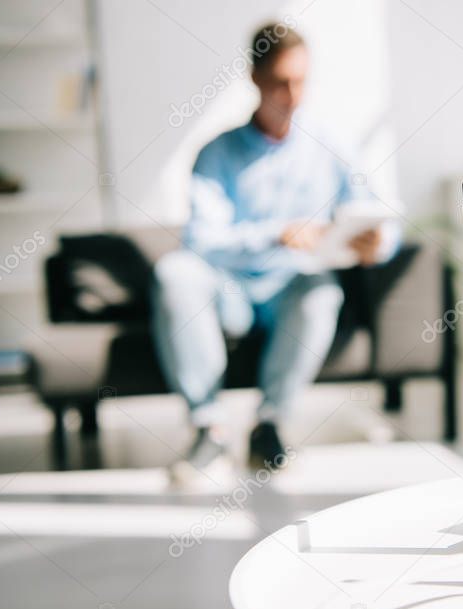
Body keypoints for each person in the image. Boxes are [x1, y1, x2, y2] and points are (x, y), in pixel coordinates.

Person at [152, 22, 399, 482]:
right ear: (255, 78)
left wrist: (377, 243)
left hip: (292, 288)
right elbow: (202, 241)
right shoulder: (215, 154)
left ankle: (269, 426)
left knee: (321, 292)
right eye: (281, 82)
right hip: (230, 292)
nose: (293, 95)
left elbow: (382, 216)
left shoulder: (332, 147)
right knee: (176, 271)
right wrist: (276, 233)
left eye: (301, 81)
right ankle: (209, 428)